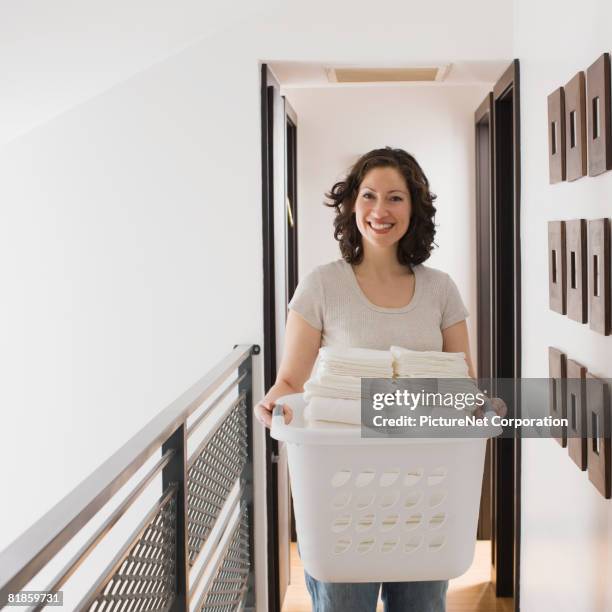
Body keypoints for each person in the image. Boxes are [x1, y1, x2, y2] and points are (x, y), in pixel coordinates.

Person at [254, 146, 504, 611]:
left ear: (415, 208)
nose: (380, 210)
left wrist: (481, 405)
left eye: (395, 197)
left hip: (426, 494)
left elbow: (462, 383)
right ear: (352, 204)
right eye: (368, 195)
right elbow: (292, 378)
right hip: (342, 496)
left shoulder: (440, 289)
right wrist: (272, 403)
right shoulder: (321, 285)